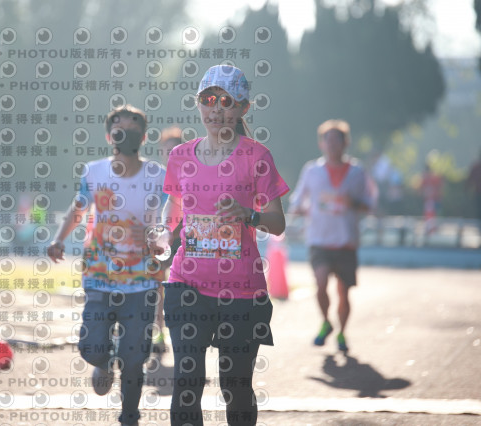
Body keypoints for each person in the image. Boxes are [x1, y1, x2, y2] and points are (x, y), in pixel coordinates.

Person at [149, 65, 289, 426]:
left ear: (243, 108)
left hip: (241, 292)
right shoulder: (181, 156)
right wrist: (163, 236)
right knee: (187, 381)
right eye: (208, 99)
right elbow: (174, 207)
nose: (216, 109)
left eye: (226, 102)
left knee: (235, 386)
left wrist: (248, 214)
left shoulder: (257, 157)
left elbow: (278, 223)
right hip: (187, 285)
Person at [47, 105, 166, 426]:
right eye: (119, 129)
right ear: (109, 136)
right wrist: (59, 239)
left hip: (141, 279)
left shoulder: (157, 176)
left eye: (133, 129)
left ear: (143, 137)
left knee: (134, 357)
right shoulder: (94, 172)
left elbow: (169, 220)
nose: (126, 134)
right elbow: (78, 208)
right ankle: (102, 361)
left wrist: (158, 238)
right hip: (99, 275)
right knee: (92, 347)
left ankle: (130, 416)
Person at [289, 119, 375, 353]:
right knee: (320, 283)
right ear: (321, 144)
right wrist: (298, 209)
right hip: (318, 239)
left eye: (338, 140)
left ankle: (342, 332)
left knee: (343, 292)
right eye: (329, 140)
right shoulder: (312, 170)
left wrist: (351, 202)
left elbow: (369, 204)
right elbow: (297, 201)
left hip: (346, 240)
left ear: (346, 143)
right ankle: (326, 321)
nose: (333, 145)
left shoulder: (357, 172)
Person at [151, 127, 183, 356]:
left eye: (175, 150)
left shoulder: (190, 174)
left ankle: (183, 334)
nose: (170, 154)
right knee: (157, 288)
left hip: (183, 238)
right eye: (167, 150)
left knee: (180, 289)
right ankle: (159, 333)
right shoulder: (155, 176)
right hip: (159, 237)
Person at [465, 149, 481, 221]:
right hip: (478, 192)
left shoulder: (476, 166)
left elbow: (469, 180)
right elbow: (470, 179)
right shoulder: (476, 167)